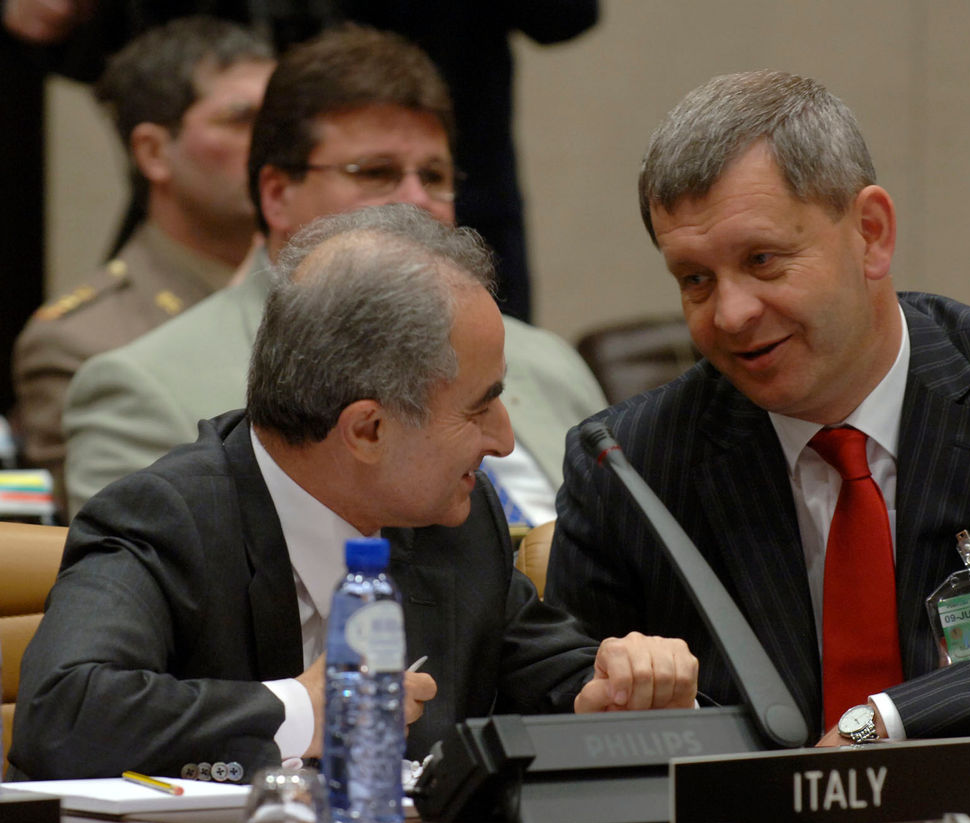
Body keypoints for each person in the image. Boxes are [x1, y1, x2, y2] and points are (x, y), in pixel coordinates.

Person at [544, 70, 970, 745]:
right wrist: (606, 700)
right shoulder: (632, 463)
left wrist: (886, 721)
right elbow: (552, 696)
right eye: (696, 279)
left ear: (871, 233)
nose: (731, 314)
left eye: (763, 259)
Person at [10, 203, 697, 782]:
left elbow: (554, 676)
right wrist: (305, 711)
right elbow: (63, 714)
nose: (506, 440)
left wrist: (615, 690)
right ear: (366, 429)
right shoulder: (169, 517)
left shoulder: (451, 521)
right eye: (481, 405)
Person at [62, 24, 605, 519]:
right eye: (376, 172)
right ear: (277, 195)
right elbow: (166, 606)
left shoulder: (547, 362)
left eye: (435, 175)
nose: (420, 202)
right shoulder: (146, 389)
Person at [10, 17, 273, 513]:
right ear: (154, 152)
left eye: (284, 120)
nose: (277, 144)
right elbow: (119, 546)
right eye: (242, 120)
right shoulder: (84, 337)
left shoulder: (320, 291)